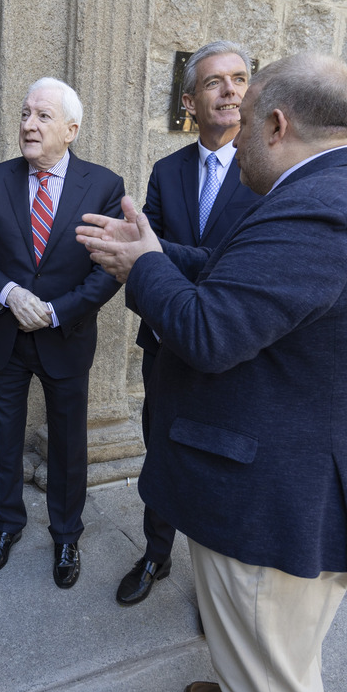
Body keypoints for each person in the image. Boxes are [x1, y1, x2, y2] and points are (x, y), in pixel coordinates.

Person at [76, 53, 347, 692]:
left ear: (277, 125)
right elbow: (245, 276)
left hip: (276, 504)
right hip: (290, 484)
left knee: (279, 689)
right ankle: (236, 688)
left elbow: (209, 333)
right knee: (272, 652)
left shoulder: (317, 214)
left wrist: (143, 268)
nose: (233, 145)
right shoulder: (342, 192)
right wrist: (158, 249)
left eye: (245, 123)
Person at [0, 77, 123, 589]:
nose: (28, 124)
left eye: (43, 116)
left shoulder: (103, 186)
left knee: (69, 443)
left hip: (65, 337)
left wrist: (53, 312)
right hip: (4, 337)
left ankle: (67, 535)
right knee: (3, 438)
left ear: (71, 129)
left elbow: (108, 271)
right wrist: (10, 294)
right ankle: (7, 525)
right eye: (26, 114)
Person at [116, 41, 260, 607]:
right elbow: (137, 247)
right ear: (189, 101)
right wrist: (155, 259)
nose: (229, 90)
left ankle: (213, 587)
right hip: (167, 345)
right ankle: (156, 553)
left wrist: (159, 257)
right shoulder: (167, 170)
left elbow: (233, 265)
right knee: (163, 449)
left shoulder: (265, 175)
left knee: (220, 466)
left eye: (240, 79)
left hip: (231, 347)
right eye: (214, 82)